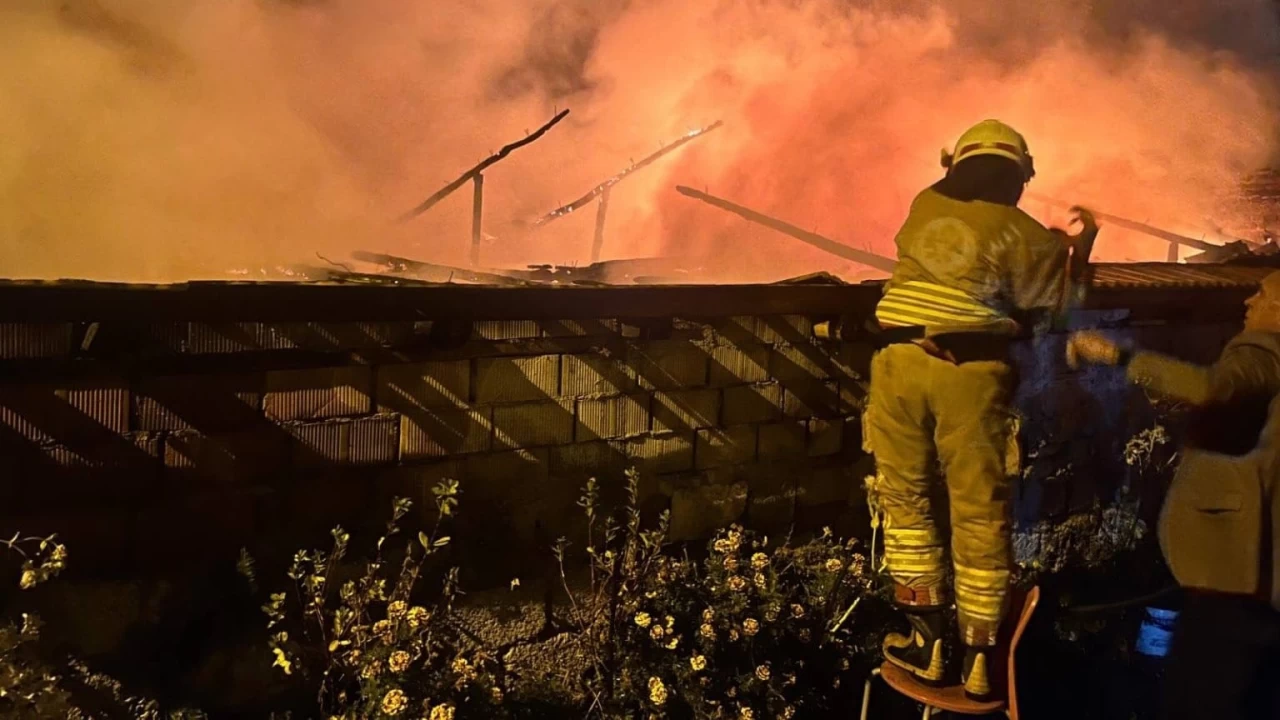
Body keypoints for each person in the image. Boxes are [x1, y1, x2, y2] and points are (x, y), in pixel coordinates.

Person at [866, 119, 1098, 700]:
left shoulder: (924, 203)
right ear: (1019, 176)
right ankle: (978, 657)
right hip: (974, 376)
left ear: (956, 165)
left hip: (899, 363)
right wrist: (1077, 252)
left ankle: (926, 641)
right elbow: (1059, 311)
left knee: (906, 501)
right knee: (978, 511)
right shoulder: (1029, 236)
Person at [1066, 270, 1280, 720]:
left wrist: (1116, 355)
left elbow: (1210, 388)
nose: (1248, 303)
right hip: (1254, 580)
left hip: (1232, 580)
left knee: (1198, 700)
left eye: (1261, 294)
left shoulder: (1264, 353)